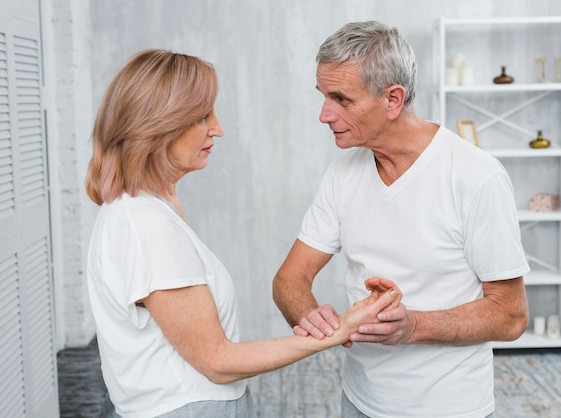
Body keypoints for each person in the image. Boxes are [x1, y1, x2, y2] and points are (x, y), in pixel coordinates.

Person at [84, 48, 402, 418]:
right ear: (158, 125)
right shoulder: (146, 226)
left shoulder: (139, 209)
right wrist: (337, 331)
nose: (217, 128)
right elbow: (217, 361)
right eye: (202, 116)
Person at [272, 21, 530, 418]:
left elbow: (510, 315)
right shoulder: (343, 173)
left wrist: (412, 327)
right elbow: (290, 278)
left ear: (393, 99)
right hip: (358, 401)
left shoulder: (476, 176)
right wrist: (309, 317)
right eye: (323, 96)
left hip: (452, 409)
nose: (324, 114)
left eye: (341, 99)